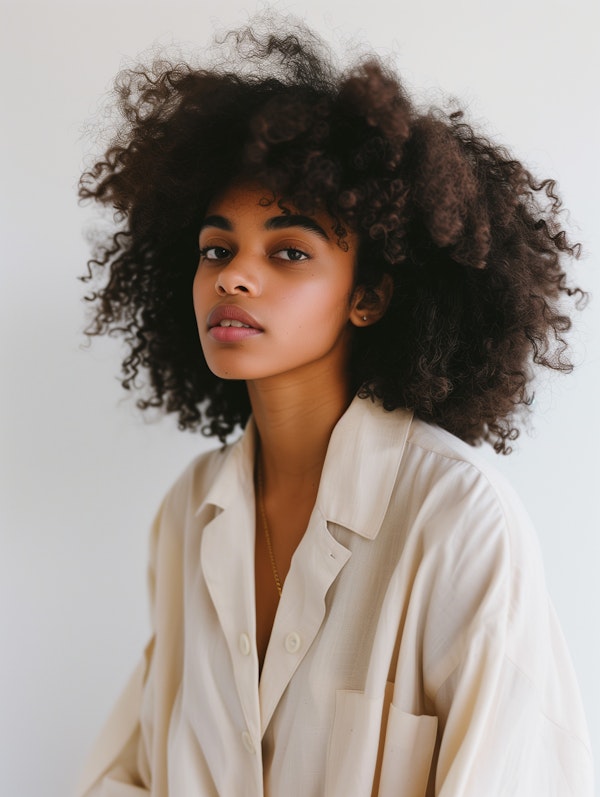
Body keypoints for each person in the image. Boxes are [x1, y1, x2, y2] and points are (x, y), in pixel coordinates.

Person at [75, 21, 593, 797]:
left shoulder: (456, 520)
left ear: (371, 294)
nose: (234, 277)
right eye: (217, 248)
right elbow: (131, 772)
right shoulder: (189, 512)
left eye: (288, 251)